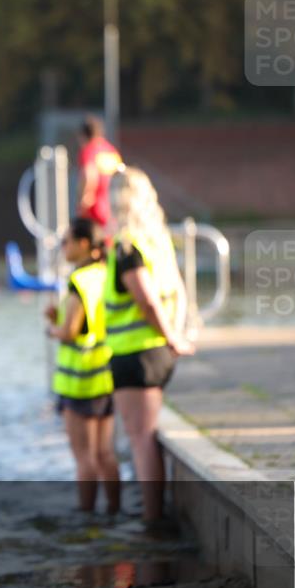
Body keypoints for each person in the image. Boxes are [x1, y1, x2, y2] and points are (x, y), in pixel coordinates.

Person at [104, 167, 195, 524]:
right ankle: (152, 512)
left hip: (136, 354)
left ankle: (152, 520)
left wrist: (172, 336)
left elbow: (148, 301)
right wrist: (177, 334)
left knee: (140, 438)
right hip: (155, 352)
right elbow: (177, 291)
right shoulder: (157, 242)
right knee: (145, 434)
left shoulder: (127, 248)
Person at [44, 218, 119, 514]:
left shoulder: (79, 281)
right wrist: (58, 319)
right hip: (106, 375)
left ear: (84, 244)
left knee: (84, 457)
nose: (63, 247)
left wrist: (53, 329)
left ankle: (86, 516)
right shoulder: (106, 273)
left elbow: (71, 331)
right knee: (105, 454)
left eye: (66, 241)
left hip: (80, 380)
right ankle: (115, 509)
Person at [76, 115, 123, 228]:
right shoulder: (111, 151)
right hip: (114, 207)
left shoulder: (89, 150)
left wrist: (85, 198)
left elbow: (89, 174)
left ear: (83, 135)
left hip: (95, 209)